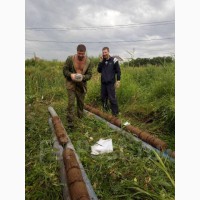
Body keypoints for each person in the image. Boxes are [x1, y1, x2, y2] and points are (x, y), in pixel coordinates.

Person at [63, 44, 92, 129]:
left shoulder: (88, 61)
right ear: (77, 52)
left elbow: (89, 75)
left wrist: (83, 77)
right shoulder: (70, 59)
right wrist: (71, 75)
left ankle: (80, 117)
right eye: (79, 53)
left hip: (81, 84)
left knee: (81, 102)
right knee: (71, 103)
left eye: (82, 54)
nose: (81, 55)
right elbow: (64, 70)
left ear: (85, 52)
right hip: (71, 84)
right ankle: (70, 121)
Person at [97, 47, 121, 116]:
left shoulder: (114, 60)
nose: (104, 54)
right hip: (103, 83)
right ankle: (105, 111)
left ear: (108, 52)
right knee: (103, 98)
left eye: (105, 52)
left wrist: (118, 80)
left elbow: (118, 71)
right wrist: (100, 62)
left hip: (111, 83)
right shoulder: (102, 61)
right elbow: (99, 70)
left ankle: (115, 113)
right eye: (103, 52)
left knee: (112, 99)